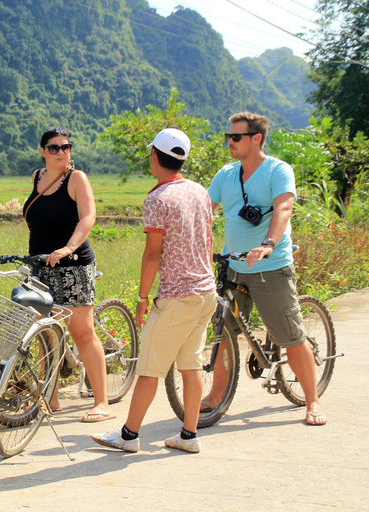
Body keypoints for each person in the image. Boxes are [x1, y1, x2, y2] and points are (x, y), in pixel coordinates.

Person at [92, 128, 216, 453]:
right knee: (191, 364)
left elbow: (152, 254)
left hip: (177, 297)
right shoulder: (200, 192)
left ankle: (129, 436)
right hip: (206, 293)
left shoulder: (157, 199)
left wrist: (143, 297)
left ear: (154, 157)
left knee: (149, 367)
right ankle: (188, 436)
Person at [202, 111, 326, 426]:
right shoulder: (225, 175)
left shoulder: (277, 171)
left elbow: (284, 207)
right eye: (228, 136)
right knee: (223, 331)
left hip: (270, 265)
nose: (229, 142)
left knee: (289, 335)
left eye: (236, 137)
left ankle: (312, 400)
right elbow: (205, 211)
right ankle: (216, 395)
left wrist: (268, 243)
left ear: (256, 139)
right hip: (232, 266)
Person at [22, 127, 114, 423]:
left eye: (66, 147)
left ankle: (101, 402)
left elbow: (88, 216)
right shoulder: (38, 177)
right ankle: (50, 397)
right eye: (53, 148)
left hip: (72, 264)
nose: (61, 152)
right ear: (42, 151)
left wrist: (68, 247)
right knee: (44, 333)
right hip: (40, 266)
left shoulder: (76, 179)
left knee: (82, 333)